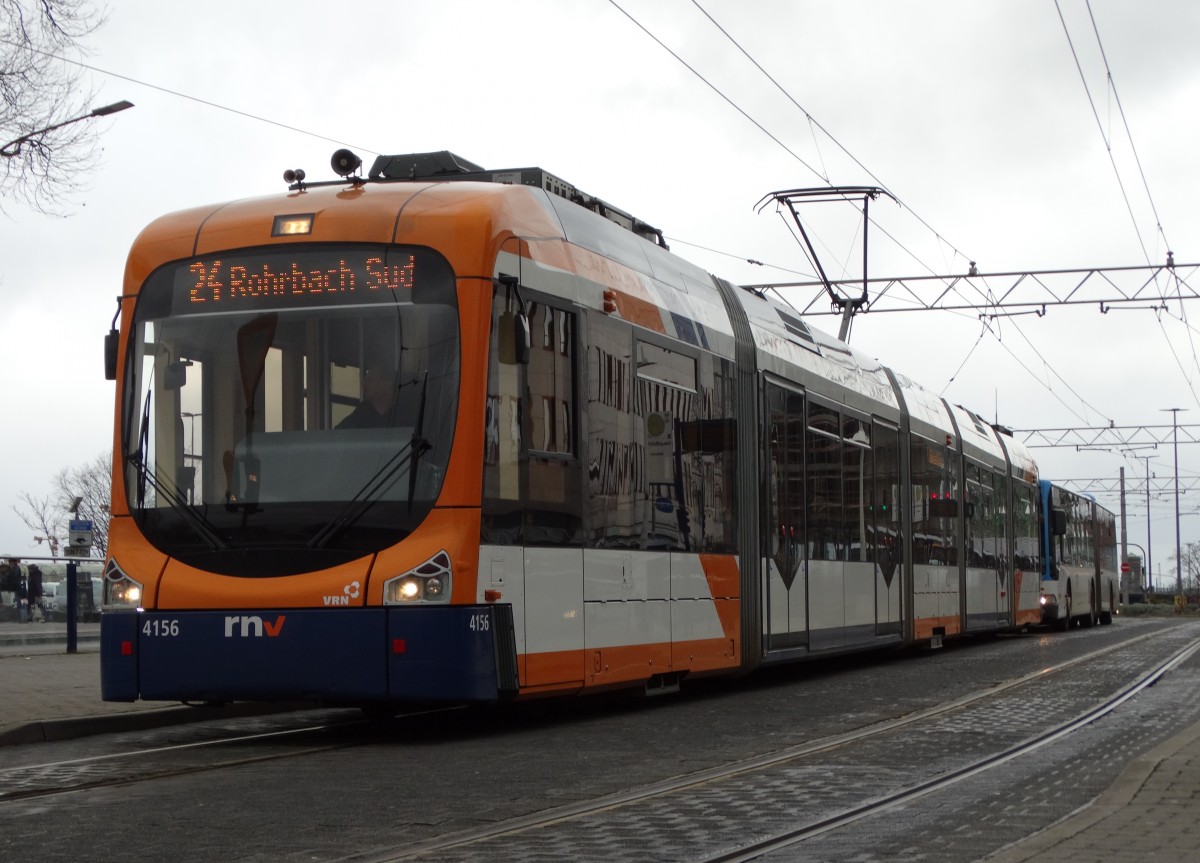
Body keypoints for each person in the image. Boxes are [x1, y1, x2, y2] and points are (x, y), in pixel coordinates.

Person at [338, 363, 407, 429]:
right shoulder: (363, 411)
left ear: (388, 384)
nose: (364, 385)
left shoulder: (405, 412)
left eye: (370, 380)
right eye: (364, 381)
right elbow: (338, 433)